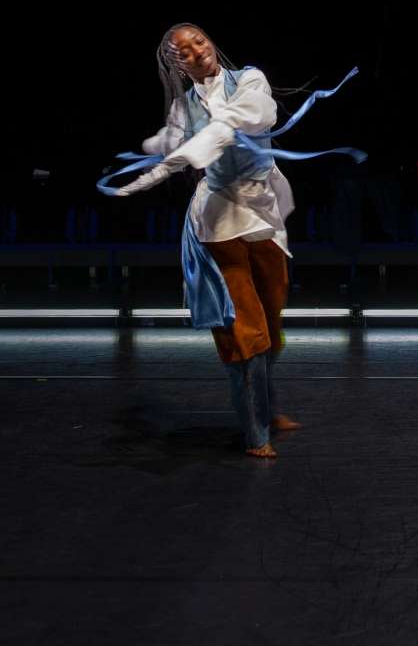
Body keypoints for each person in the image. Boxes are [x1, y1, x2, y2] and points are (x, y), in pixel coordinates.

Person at [105, 23, 361, 458]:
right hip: (218, 219)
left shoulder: (249, 80)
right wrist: (156, 153)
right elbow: (169, 140)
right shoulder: (184, 109)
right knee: (246, 331)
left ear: (210, 44)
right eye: (182, 51)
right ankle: (255, 431)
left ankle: (264, 407)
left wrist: (183, 152)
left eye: (198, 42)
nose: (195, 52)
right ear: (177, 64)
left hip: (262, 214)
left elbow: (253, 116)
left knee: (272, 325)